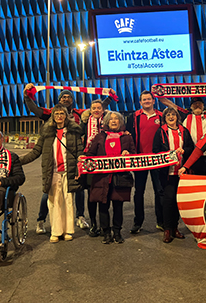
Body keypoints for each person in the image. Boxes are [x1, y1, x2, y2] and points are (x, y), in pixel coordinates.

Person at [23, 83, 116, 233]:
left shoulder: (80, 114)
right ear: (59, 100)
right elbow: (35, 109)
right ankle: (41, 220)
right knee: (49, 191)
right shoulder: (52, 113)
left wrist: (109, 98)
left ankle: (80, 217)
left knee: (78, 188)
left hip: (74, 155)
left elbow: (97, 109)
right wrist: (27, 96)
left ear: (72, 100)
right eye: (63, 97)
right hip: (54, 157)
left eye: (68, 97)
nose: (66, 99)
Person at [21, 105, 84, 242]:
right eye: (57, 114)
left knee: (68, 201)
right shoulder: (47, 133)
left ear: (66, 115)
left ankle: (68, 231)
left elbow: (79, 151)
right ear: (53, 116)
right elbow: (36, 152)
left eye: (62, 113)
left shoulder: (73, 132)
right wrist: (18, 161)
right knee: (54, 202)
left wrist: (80, 164)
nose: (60, 116)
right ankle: (56, 231)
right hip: (53, 171)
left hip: (69, 171)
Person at [84, 111, 135, 243]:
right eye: (111, 119)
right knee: (103, 206)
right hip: (102, 178)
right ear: (106, 122)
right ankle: (106, 232)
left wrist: (127, 153)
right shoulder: (100, 137)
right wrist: (83, 158)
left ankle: (117, 232)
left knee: (118, 206)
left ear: (120, 122)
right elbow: (91, 153)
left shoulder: (127, 137)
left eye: (116, 119)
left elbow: (134, 154)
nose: (113, 121)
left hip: (120, 177)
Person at [152, 108, 194, 243]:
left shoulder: (184, 131)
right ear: (164, 118)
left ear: (177, 117)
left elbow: (191, 149)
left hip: (181, 172)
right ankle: (167, 229)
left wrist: (184, 150)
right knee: (168, 201)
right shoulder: (161, 132)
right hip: (167, 173)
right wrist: (167, 155)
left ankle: (175, 228)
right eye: (168, 115)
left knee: (178, 202)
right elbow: (155, 151)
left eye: (173, 115)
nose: (171, 117)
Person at [126, 90, 164, 234]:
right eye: (144, 100)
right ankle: (138, 222)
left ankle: (161, 222)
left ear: (154, 101)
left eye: (149, 99)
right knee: (139, 192)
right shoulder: (133, 117)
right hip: (140, 160)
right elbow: (127, 135)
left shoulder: (161, 116)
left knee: (159, 191)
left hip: (157, 160)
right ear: (140, 102)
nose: (147, 101)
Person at [82, 99, 109, 237]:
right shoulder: (85, 122)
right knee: (91, 193)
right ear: (90, 110)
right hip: (89, 160)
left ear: (103, 109)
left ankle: (105, 225)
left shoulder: (109, 122)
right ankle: (93, 223)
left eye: (99, 108)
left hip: (105, 161)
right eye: (94, 108)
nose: (97, 110)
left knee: (104, 192)